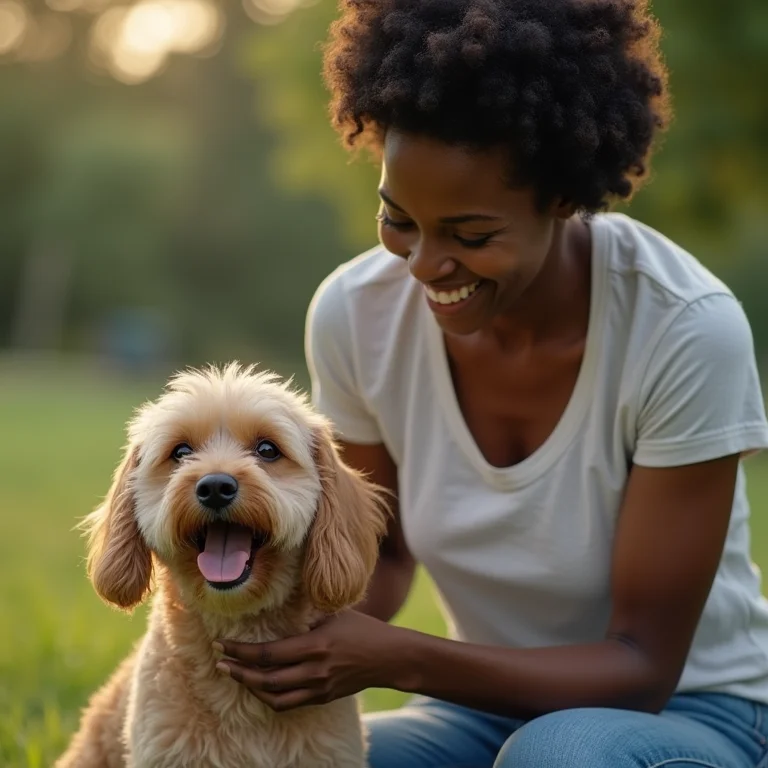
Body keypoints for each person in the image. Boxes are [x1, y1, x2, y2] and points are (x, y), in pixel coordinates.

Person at [214, 1, 768, 765]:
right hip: (480, 709)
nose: (424, 267)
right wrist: (283, 640)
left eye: (471, 236)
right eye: (398, 218)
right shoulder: (354, 312)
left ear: (565, 199)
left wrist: (402, 658)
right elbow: (380, 556)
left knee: (557, 754)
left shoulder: (683, 330)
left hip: (694, 713)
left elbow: (642, 667)